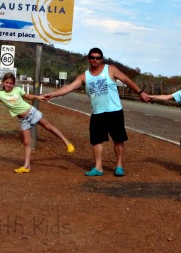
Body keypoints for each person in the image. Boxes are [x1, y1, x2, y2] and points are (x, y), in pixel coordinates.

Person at [44, 48, 150, 177]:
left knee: (118, 139)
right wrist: (52, 94)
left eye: (98, 58)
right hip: (97, 113)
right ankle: (98, 167)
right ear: (89, 59)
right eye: (92, 57)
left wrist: (140, 92)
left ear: (102, 59)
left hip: (114, 111)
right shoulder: (84, 76)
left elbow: (127, 80)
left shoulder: (110, 69)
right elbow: (68, 88)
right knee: (96, 140)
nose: (95, 60)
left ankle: (119, 166)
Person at [0, 72, 75, 173]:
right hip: (23, 120)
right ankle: (27, 166)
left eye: (11, 83)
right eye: (7, 82)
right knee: (27, 142)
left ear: (14, 84)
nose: (8, 85)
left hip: (31, 112)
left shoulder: (17, 90)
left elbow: (28, 96)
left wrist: (37, 97)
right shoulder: (0, 94)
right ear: (3, 82)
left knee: (48, 126)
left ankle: (67, 142)